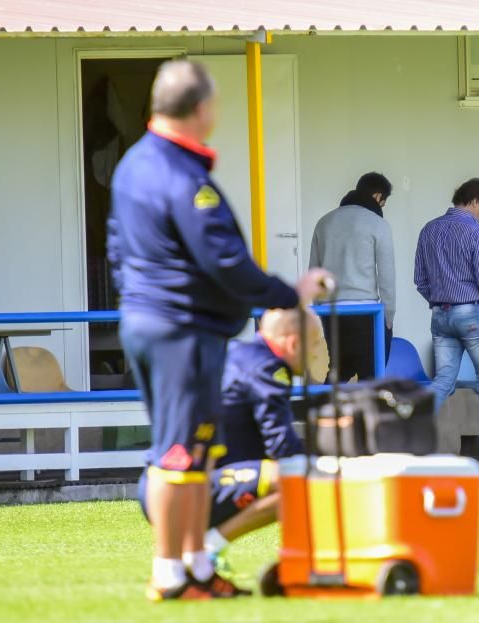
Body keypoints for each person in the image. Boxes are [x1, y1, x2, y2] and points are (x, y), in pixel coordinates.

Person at [108, 59, 330, 601]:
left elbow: (119, 250)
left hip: (151, 320)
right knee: (179, 455)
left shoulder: (133, 165)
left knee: (196, 454)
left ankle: (197, 566)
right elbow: (224, 260)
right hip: (181, 328)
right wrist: (288, 295)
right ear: (202, 109)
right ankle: (170, 574)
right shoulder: (181, 175)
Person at [136, 307, 326, 571]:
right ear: (293, 343)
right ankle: (208, 547)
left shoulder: (238, 354)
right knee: (298, 480)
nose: (317, 352)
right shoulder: (268, 369)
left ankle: (201, 550)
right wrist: (326, 467)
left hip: (159, 484)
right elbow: (282, 447)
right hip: (188, 486)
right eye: (315, 343)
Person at [413, 178, 479, 468]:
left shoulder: (429, 230)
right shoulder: (477, 233)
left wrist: (439, 300)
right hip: (471, 314)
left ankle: (408, 435)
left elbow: (420, 281)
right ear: (475, 200)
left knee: (443, 380)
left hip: (440, 315)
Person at [309, 172, 396, 381]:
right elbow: (387, 277)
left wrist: (320, 308)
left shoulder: (324, 222)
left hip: (331, 309)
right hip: (367, 311)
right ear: (377, 197)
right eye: (383, 202)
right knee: (372, 374)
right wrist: (389, 317)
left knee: (339, 369)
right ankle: (368, 413)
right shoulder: (378, 224)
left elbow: (314, 272)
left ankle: (324, 411)